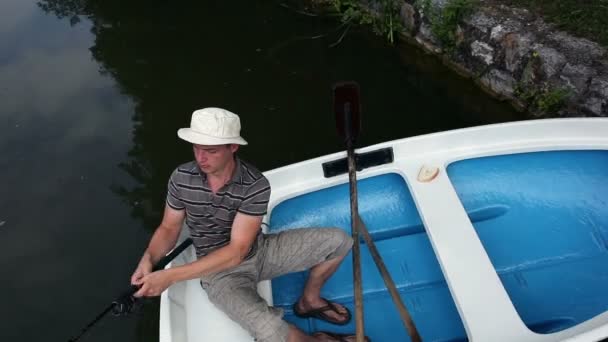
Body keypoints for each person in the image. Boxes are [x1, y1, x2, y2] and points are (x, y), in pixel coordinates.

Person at [130, 108, 368, 342]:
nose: (200, 158)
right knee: (271, 331)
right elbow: (169, 228)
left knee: (339, 241)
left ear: (233, 147)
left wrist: (170, 277)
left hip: (259, 252)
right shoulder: (181, 179)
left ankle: (309, 301)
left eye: (210, 151)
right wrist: (149, 258)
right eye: (196, 148)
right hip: (218, 274)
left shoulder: (255, 185)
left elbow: (238, 251)